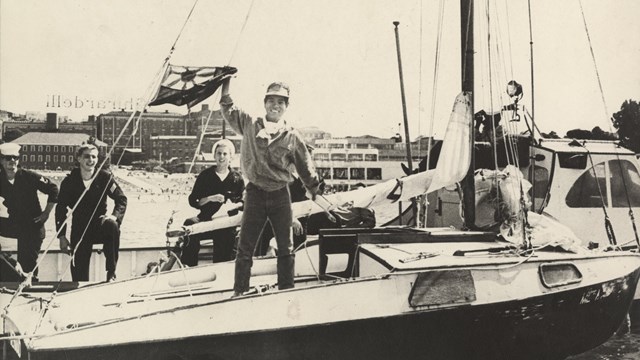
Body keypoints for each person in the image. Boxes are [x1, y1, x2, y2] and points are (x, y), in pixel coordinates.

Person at [220, 80, 320, 296]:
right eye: (272, 100)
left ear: (286, 106)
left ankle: (286, 293)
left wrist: (315, 191)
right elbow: (228, 108)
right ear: (265, 103)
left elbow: (305, 167)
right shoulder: (249, 124)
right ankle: (240, 292)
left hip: (280, 196)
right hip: (255, 194)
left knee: (286, 248)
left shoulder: (292, 136)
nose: (276, 105)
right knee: (245, 248)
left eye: (281, 102)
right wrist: (225, 84)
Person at [55, 144, 127, 282]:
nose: (91, 160)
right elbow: (61, 209)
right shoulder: (69, 181)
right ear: (79, 159)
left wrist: (114, 216)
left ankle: (111, 273)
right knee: (79, 276)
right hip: (80, 228)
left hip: (99, 225)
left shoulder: (104, 178)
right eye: (87, 156)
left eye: (94, 156)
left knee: (112, 226)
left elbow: (121, 199)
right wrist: (62, 236)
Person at [181, 139, 245, 266]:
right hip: (205, 219)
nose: (221, 157)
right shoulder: (205, 176)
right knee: (189, 224)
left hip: (225, 223)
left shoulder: (237, 178)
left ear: (231, 156)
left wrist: (234, 205)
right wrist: (210, 198)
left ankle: (220, 270)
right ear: (214, 155)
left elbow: (243, 203)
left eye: (225, 154)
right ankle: (189, 267)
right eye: (219, 153)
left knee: (226, 241)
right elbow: (193, 200)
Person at [0, 143, 58, 280]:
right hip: (15, 223)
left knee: (28, 266)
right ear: (1, 160)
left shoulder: (29, 177)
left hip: (33, 225)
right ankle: (9, 264)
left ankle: (30, 284)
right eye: (8, 158)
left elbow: (53, 189)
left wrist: (46, 214)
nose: (12, 161)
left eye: (15, 158)